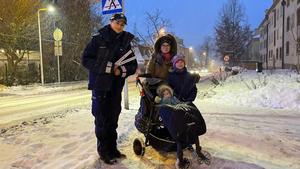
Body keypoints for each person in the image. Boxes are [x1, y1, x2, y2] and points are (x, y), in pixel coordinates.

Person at [81, 13, 137, 165]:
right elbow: (85, 59)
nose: (120, 26)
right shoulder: (98, 39)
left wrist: (121, 71)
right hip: (100, 87)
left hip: (115, 88)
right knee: (101, 120)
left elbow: (133, 66)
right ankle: (103, 152)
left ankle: (112, 149)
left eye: (122, 24)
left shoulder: (125, 42)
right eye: (118, 22)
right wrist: (108, 68)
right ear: (111, 22)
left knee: (113, 119)